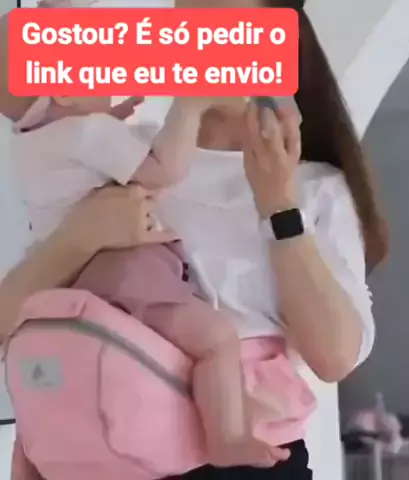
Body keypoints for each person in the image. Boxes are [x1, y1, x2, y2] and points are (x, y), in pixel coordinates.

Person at [0, 0, 388, 479]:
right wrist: (81, 237)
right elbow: (11, 318)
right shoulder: (127, 155)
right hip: (112, 453)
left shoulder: (312, 186)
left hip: (243, 462)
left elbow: (334, 358)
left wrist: (278, 205)